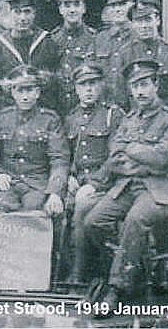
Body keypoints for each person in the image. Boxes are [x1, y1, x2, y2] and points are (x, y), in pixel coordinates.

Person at [83, 57, 168, 313]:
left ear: (156, 86)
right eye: (135, 86)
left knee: (135, 221)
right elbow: (115, 156)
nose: (140, 91)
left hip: (160, 190)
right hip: (128, 186)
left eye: (144, 84)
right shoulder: (128, 119)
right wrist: (140, 158)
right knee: (93, 222)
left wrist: (132, 150)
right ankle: (134, 266)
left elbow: (163, 158)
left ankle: (116, 288)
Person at [65, 63, 124, 285]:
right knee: (52, 206)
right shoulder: (71, 117)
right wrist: (70, 176)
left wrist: (93, 184)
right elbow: (66, 154)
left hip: (107, 185)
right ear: (76, 89)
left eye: (93, 84)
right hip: (77, 182)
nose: (88, 89)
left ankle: (80, 272)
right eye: (83, 85)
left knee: (81, 207)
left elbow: (116, 157)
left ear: (101, 86)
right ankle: (56, 269)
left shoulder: (113, 115)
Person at [0, 65, 69, 214]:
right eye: (20, 90)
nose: (25, 96)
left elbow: (59, 160)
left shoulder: (50, 119)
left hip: (37, 184)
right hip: (8, 182)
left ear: (38, 92)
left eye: (30, 90)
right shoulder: (2, 117)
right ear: (12, 92)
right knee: (0, 208)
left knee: (34, 211)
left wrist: (55, 192)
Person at [0, 0, 62, 114]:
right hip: (9, 112)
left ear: (34, 14)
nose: (22, 18)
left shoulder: (46, 42)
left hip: (43, 111)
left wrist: (45, 78)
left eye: (27, 12)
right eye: (17, 12)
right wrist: (5, 85)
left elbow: (58, 77)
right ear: (10, 14)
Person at [50, 0, 97, 115]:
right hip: (57, 107)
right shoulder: (51, 39)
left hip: (85, 108)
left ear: (84, 8)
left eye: (77, 4)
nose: (72, 10)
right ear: (60, 9)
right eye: (67, 5)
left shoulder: (95, 38)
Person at [121, 0, 168, 108]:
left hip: (166, 120)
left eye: (148, 20)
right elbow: (121, 97)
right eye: (138, 21)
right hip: (136, 118)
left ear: (157, 20)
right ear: (132, 24)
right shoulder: (125, 54)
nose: (144, 26)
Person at [93, 0, 137, 110]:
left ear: (132, 5)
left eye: (123, 4)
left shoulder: (140, 36)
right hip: (105, 110)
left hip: (134, 109)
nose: (118, 9)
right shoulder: (99, 39)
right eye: (113, 5)